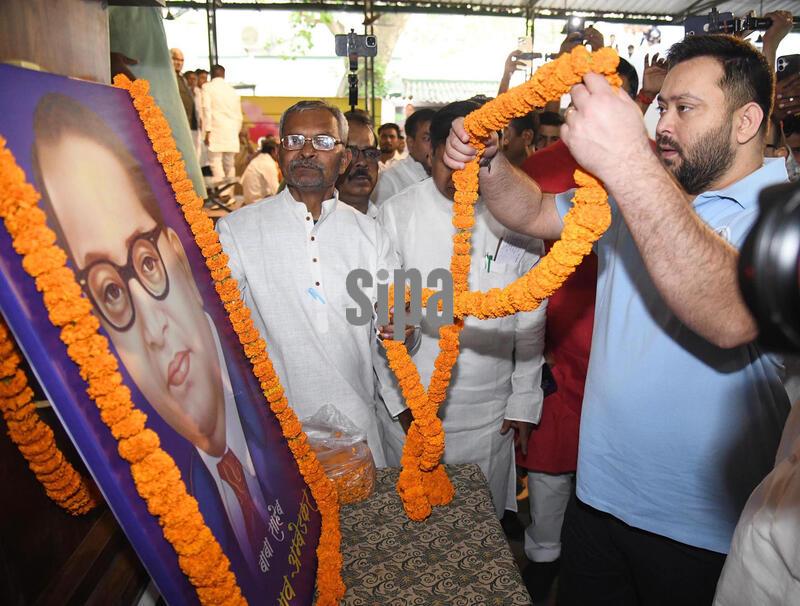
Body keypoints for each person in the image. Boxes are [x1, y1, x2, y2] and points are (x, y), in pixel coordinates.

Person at [444, 34, 790, 605]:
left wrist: (630, 162)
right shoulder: (639, 191)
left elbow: (732, 314)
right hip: (599, 498)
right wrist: (489, 161)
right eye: (661, 106)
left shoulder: (783, 219)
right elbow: (530, 210)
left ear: (746, 120)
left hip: (705, 528)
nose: (662, 124)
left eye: (685, 109)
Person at [31, 93, 278, 584]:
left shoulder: (269, 405)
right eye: (109, 293)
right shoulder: (156, 496)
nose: (153, 326)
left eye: (146, 261)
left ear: (178, 256)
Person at [216, 100, 414, 467]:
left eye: (323, 141)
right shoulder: (235, 231)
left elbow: (404, 323)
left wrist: (405, 326)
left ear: (343, 159)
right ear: (279, 153)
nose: (307, 151)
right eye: (295, 140)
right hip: (276, 439)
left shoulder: (371, 234)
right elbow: (219, 336)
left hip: (359, 434)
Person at [376, 99, 547, 518]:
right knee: (412, 531)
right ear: (431, 152)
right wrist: (401, 402)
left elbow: (532, 315)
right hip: (413, 409)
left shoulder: (518, 215)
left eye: (477, 154)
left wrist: (524, 398)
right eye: (453, 155)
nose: (464, 170)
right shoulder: (397, 214)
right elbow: (387, 321)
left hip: (491, 411)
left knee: (480, 530)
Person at [372, 108, 435, 203]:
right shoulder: (387, 180)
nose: (435, 144)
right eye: (427, 138)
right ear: (410, 142)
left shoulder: (447, 176)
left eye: (439, 138)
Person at [202, 64, 243, 183]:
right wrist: (236, 132)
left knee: (215, 162)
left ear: (212, 74)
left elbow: (206, 109)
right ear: (223, 74)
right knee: (229, 164)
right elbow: (239, 116)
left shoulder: (207, 87)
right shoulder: (232, 91)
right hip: (231, 132)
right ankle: (229, 195)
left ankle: (222, 193)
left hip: (215, 130)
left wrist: (207, 131)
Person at [337, 110, 380, 217]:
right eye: (351, 152)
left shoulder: (389, 222)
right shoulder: (314, 227)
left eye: (370, 153)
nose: (362, 162)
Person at [241, 136, 281, 204]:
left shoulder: (260, 159)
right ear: (273, 150)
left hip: (249, 200)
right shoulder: (268, 163)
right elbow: (276, 190)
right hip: (256, 202)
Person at [170, 48, 196, 134]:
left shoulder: (182, 78)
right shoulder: (168, 77)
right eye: (176, 59)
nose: (179, 63)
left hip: (186, 122)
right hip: (174, 122)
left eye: (181, 60)